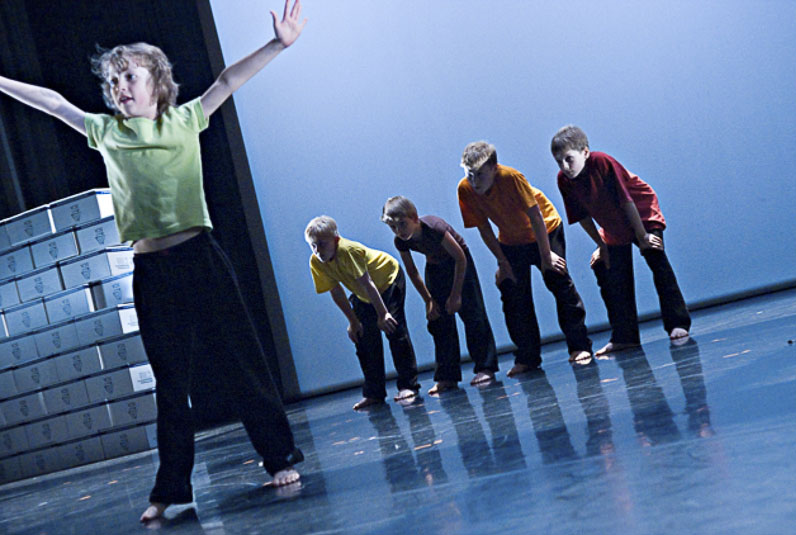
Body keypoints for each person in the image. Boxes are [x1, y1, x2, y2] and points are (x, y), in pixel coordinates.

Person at [0, 0, 308, 523]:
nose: (119, 87)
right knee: (170, 382)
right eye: (113, 81)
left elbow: (228, 80)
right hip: (152, 271)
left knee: (241, 360)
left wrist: (277, 44)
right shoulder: (107, 132)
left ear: (157, 84)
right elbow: (53, 103)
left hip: (200, 257)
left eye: (130, 77)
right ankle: (172, 488)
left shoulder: (186, 119)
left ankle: (278, 456)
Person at [551, 124, 690, 356]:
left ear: (585, 152)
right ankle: (625, 337)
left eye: (569, 159)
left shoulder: (602, 162)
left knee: (657, 261)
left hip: (640, 214)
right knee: (614, 276)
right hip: (613, 223)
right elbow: (581, 216)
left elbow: (627, 201)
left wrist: (643, 236)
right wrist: (601, 245)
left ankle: (678, 322)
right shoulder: (564, 180)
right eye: (559, 162)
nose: (565, 167)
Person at [457, 141, 593, 373]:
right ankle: (527, 358)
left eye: (480, 175)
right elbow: (484, 228)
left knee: (558, 280)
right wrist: (503, 262)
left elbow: (535, 216)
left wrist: (546, 255)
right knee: (513, 293)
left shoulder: (511, 178)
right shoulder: (465, 189)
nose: (474, 181)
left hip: (545, 230)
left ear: (494, 168)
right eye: (470, 174)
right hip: (511, 239)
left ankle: (579, 346)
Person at [381, 196, 498, 395]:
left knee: (473, 315)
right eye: (393, 227)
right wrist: (428, 300)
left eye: (402, 224)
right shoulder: (400, 241)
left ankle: (485, 367)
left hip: (459, 265)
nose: (399, 231)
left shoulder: (434, 227)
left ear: (414, 218)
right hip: (435, 268)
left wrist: (456, 295)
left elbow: (460, 258)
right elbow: (412, 272)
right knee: (439, 321)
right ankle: (447, 377)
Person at [305, 215, 420, 410]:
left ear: (335, 240)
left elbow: (368, 283)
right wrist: (353, 321)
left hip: (387, 279)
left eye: (322, 244)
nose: (318, 251)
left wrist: (383, 314)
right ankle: (374, 393)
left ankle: (408, 386)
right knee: (364, 337)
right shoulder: (317, 262)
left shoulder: (347, 250)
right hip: (364, 293)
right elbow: (336, 291)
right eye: (313, 246)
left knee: (394, 329)